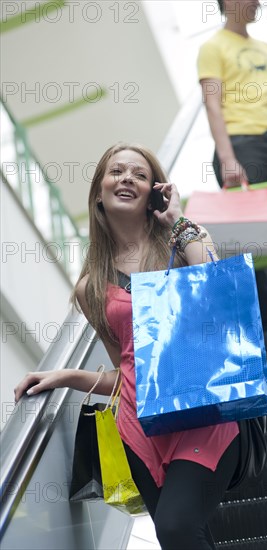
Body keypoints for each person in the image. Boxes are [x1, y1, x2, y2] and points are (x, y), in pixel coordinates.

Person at [14, 143, 242, 550]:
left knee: (176, 525)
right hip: (140, 426)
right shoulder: (91, 287)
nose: (126, 179)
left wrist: (177, 221)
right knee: (179, 537)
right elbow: (128, 369)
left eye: (138, 174)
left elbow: (222, 295)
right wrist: (66, 376)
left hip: (203, 410)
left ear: (153, 191)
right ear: (98, 192)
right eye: (116, 172)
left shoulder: (185, 239)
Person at [197, 0, 267, 334]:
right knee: (248, 238)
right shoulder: (212, 46)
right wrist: (227, 158)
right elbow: (212, 102)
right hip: (239, 145)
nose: (258, 3)